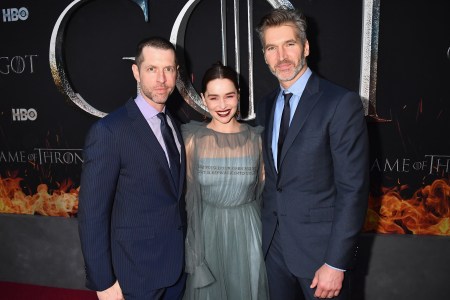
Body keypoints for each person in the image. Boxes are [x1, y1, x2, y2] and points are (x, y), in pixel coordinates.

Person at [255, 7, 369, 300]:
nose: (281, 57)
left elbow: (352, 189)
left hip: (322, 257)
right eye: (271, 47)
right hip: (274, 252)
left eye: (289, 44)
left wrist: (336, 262)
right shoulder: (267, 105)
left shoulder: (340, 103)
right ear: (265, 55)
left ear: (305, 46)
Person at [78, 36, 186, 300]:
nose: (161, 79)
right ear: (136, 72)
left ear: (176, 73)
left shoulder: (174, 123)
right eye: (152, 69)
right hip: (134, 277)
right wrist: (103, 282)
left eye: (168, 69)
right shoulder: (109, 132)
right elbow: (92, 214)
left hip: (176, 271)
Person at [182, 62, 269, 300]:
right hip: (207, 234)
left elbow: (263, 194)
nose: (222, 106)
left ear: (238, 96)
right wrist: (194, 252)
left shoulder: (256, 140)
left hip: (248, 234)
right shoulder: (193, 141)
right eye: (214, 97)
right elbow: (189, 202)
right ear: (203, 98)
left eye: (229, 96)